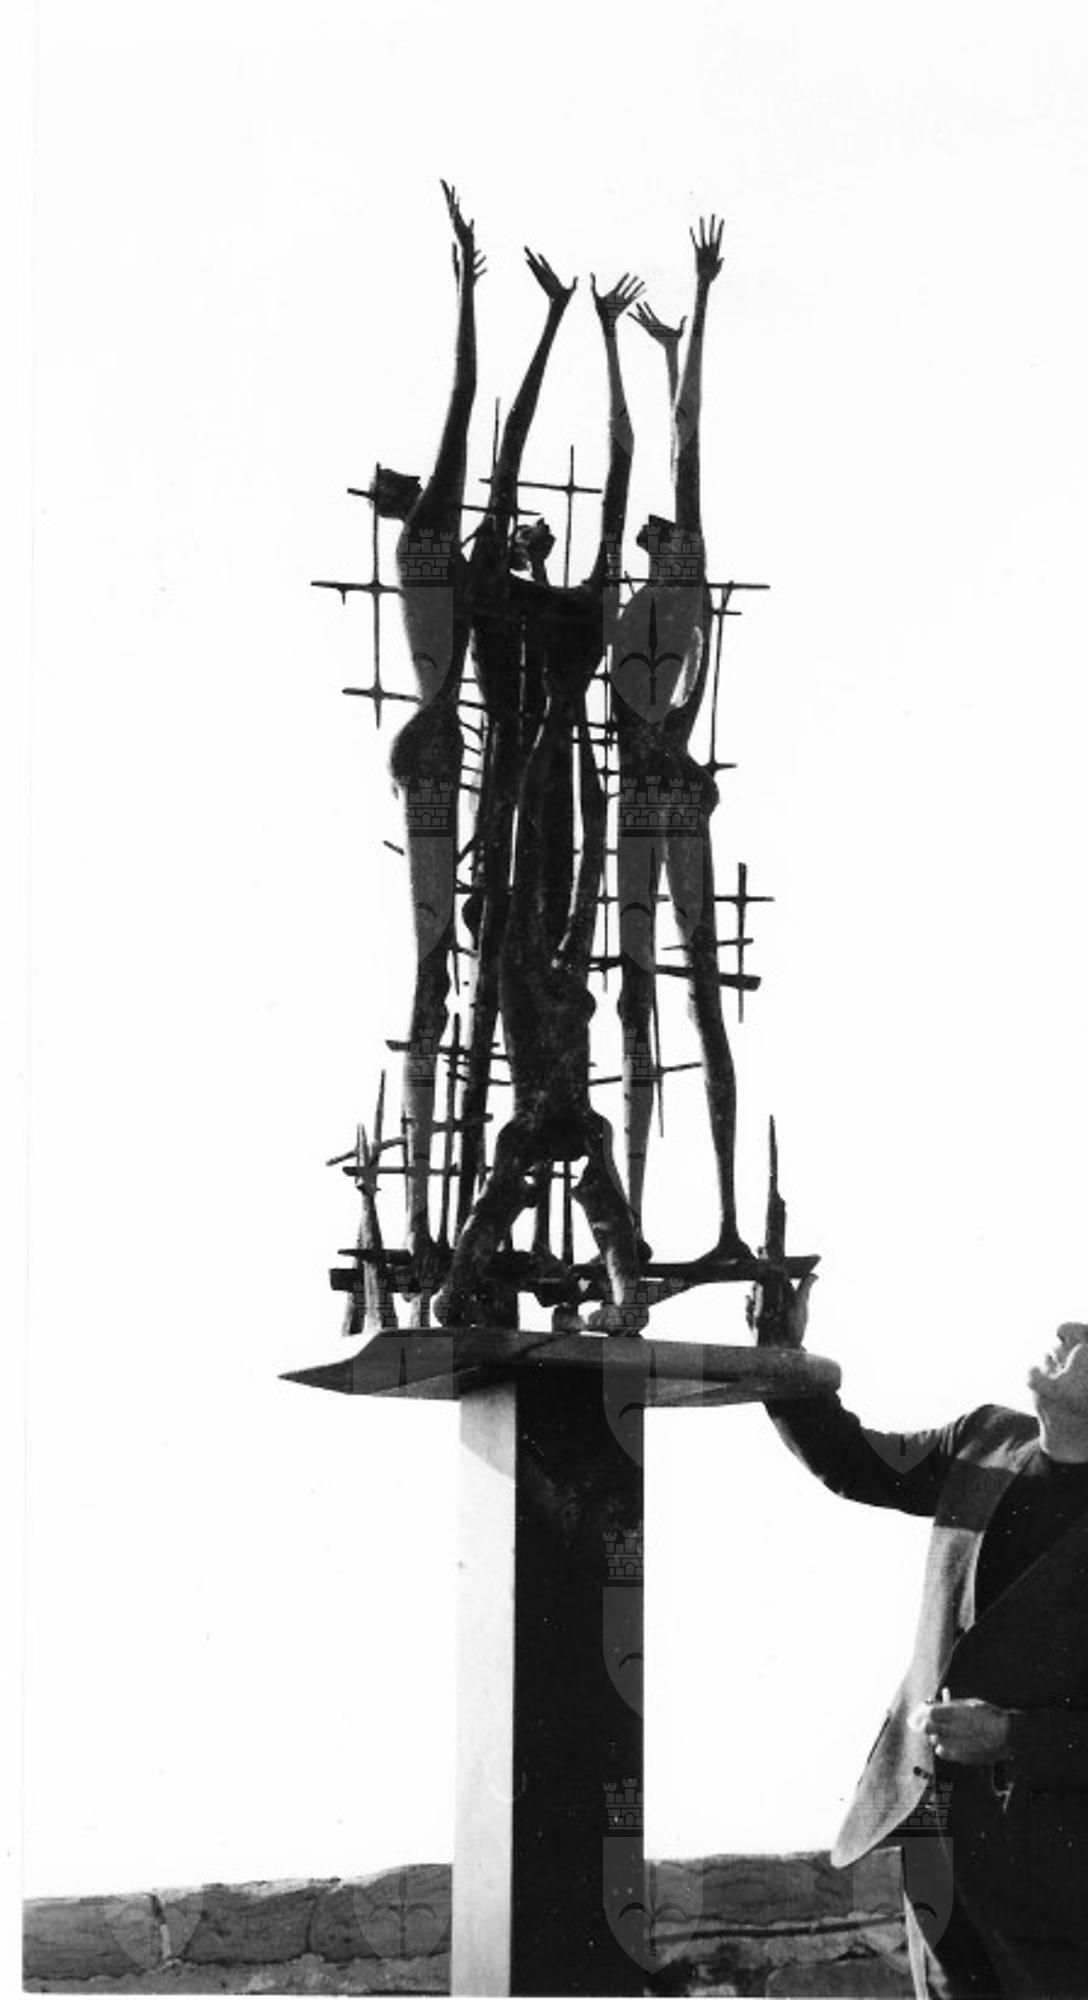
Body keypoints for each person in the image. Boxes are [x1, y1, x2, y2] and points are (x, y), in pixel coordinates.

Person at [755, 1288, 1088, 1999]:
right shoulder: (984, 1439)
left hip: (1060, 1876)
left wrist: (1010, 1735)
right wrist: (779, 1351)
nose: (1067, 1326)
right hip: (933, 1842)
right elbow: (852, 1462)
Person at [432, 269, 648, 1331]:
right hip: (515, 807)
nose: (529, 536)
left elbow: (617, 478)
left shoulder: (583, 601)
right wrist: (550, 322)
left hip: (562, 806)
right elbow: (503, 457)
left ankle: (568, 1278)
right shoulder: (488, 594)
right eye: (513, 530)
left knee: (551, 980)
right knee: (523, 971)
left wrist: (600, 337)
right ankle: (519, 1276)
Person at [610, 217, 748, 1263]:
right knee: (638, 996)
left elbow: (685, 445)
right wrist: (660, 348)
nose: (669, 544)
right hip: (644, 799)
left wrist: (694, 314)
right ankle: (639, 1219)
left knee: (696, 993)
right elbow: (668, 452)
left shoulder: (679, 599)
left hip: (667, 795)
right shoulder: (642, 617)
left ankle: (726, 1219)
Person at [366, 180, 483, 1288]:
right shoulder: (427, 543)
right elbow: (464, 400)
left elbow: (464, 404)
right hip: (434, 750)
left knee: (435, 958)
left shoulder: (430, 542)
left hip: (431, 748)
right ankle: (415, 1200)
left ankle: (418, 1196)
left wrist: (469, 287)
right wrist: (468, 289)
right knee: (436, 957)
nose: (397, 480)